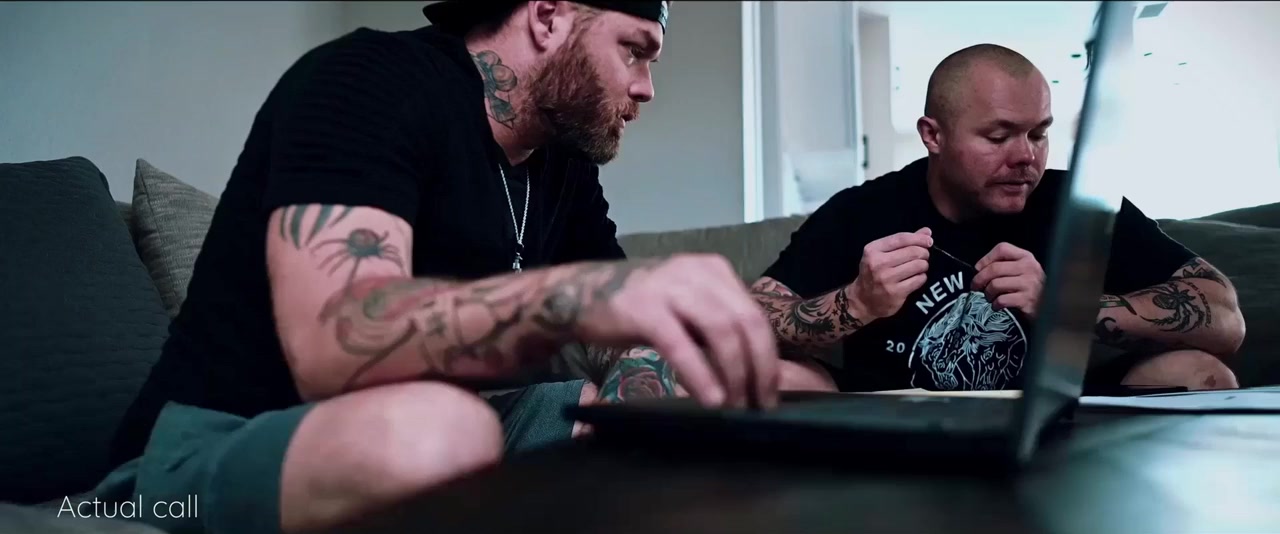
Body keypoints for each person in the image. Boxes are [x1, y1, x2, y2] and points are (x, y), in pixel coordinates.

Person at [92, 2, 786, 533]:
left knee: (643, 413)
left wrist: (643, 410)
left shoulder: (562, 165)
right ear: (548, 17)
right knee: (435, 432)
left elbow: (632, 337)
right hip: (204, 448)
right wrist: (587, 293)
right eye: (634, 51)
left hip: (447, 424)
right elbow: (335, 342)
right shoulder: (369, 79)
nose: (646, 88)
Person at [751, 43, 1246, 394]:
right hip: (891, 424)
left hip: (1062, 424)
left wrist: (1063, 306)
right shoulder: (862, 210)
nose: (1026, 156)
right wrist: (856, 302)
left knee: (1200, 371)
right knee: (778, 376)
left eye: (1038, 134)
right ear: (933, 136)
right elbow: (752, 319)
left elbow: (1225, 317)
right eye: (998, 136)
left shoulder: (1081, 204)